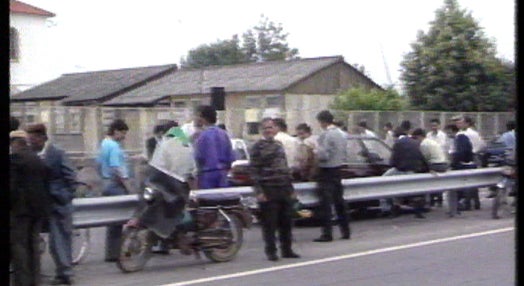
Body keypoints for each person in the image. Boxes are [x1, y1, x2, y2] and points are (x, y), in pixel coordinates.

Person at [26, 123, 79, 285]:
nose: (31, 142)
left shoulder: (57, 153)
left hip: (58, 202)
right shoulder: (31, 154)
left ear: (42, 137)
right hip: (41, 204)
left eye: (33, 139)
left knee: (59, 240)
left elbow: (71, 177)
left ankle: (65, 274)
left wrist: (65, 195)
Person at [249, 117, 300, 261]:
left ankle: (287, 249)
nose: (268, 130)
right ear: (261, 131)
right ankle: (271, 251)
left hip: (283, 187)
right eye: (265, 128)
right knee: (270, 223)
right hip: (268, 188)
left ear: (275, 129)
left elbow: (284, 167)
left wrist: (291, 188)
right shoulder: (257, 147)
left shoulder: (279, 144)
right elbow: (254, 171)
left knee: (286, 221)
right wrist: (259, 191)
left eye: (271, 127)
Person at [10, 130, 52, 286]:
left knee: (19, 247)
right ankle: (36, 280)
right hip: (38, 211)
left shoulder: (15, 160)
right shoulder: (37, 159)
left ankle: (22, 281)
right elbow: (47, 181)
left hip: (20, 211)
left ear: (16, 143)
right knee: (33, 245)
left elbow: (12, 188)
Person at [97, 119, 133, 262]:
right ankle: (117, 252)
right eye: (123, 133)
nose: (123, 136)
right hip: (115, 184)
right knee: (119, 220)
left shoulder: (104, 144)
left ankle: (111, 252)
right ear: (116, 131)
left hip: (106, 182)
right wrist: (128, 186)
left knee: (113, 221)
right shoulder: (114, 146)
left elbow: (98, 164)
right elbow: (116, 167)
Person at [313, 110, 350, 242]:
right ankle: (345, 231)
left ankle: (327, 233)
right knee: (339, 201)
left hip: (326, 170)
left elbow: (324, 156)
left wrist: (315, 151)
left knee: (325, 204)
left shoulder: (325, 135)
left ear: (322, 121)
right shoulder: (342, 134)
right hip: (338, 169)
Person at [381, 127, 429, 219]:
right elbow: (421, 156)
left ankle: (386, 209)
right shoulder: (414, 142)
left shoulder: (398, 143)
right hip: (413, 169)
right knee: (413, 190)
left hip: (401, 169)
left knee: (382, 182)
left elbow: (393, 159)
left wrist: (393, 165)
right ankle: (418, 211)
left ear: (395, 136)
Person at [193, 105, 235, 189]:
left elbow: (199, 158)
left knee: (208, 199)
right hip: (223, 174)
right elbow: (231, 156)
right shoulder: (224, 134)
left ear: (202, 118)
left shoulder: (202, 136)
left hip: (207, 175)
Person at [411, 128, 449, 207]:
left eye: (415, 138)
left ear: (419, 136)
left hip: (435, 165)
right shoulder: (431, 141)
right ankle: (437, 198)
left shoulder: (423, 144)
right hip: (443, 164)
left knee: (420, 174)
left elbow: (424, 158)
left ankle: (425, 199)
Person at [444, 123, 476, 217]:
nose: (448, 135)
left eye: (449, 133)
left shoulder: (460, 138)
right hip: (466, 164)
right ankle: (467, 204)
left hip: (464, 165)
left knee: (461, 187)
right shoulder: (460, 138)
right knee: (466, 187)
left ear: (453, 131)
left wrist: (453, 162)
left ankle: (462, 204)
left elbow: (461, 153)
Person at [453, 115, 482, 210]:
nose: (458, 124)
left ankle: (468, 203)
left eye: (460, 122)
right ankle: (475, 202)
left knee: (468, 182)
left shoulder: (471, 134)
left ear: (467, 123)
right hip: (469, 157)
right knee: (472, 182)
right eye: (457, 122)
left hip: (470, 158)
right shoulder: (460, 133)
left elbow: (479, 145)